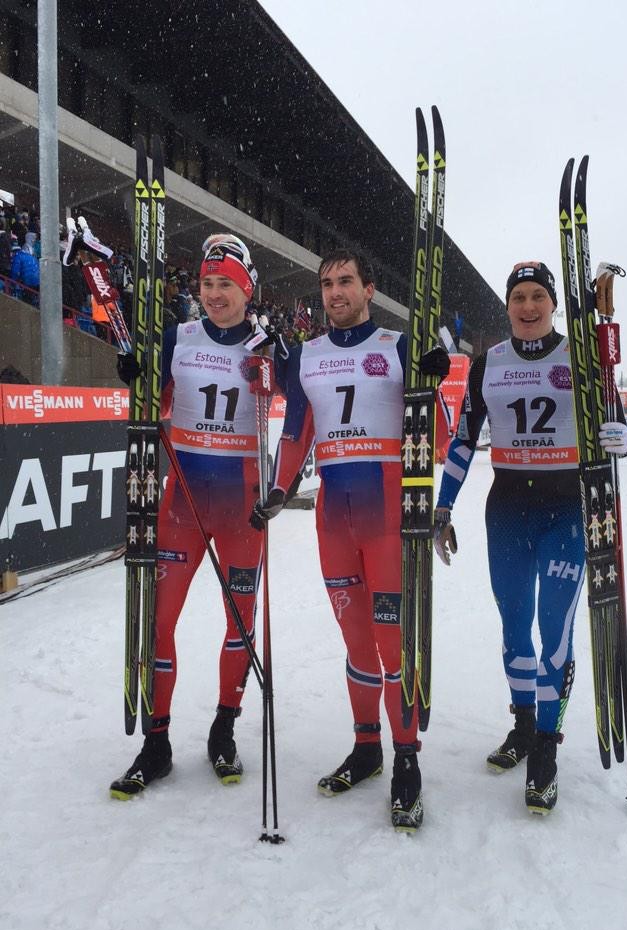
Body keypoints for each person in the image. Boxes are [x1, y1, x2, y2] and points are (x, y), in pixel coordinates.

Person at [250, 248, 451, 831]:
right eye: (326, 284)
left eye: (345, 282)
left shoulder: (395, 346)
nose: (334, 293)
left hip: (388, 519)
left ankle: (406, 760)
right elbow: (296, 433)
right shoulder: (307, 357)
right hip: (333, 521)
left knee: (393, 648)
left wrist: (431, 380)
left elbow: (436, 438)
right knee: (358, 645)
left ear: (368, 287)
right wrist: (280, 489)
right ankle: (367, 748)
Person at [433, 261, 627, 815]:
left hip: (566, 511)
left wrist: (623, 438)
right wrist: (443, 504)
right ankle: (523, 724)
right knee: (514, 626)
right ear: (508, 305)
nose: (527, 307)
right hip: (507, 510)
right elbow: (461, 441)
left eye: (537, 297)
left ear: (552, 304)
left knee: (555, 633)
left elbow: (617, 423)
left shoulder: (582, 357)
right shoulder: (487, 365)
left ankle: (547, 746)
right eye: (518, 297)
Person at [109, 233, 274, 799]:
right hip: (182, 502)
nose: (214, 294)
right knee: (159, 621)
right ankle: (156, 743)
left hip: (240, 510)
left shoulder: (268, 344)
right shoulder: (175, 338)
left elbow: (325, 391)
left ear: (246, 288)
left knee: (240, 624)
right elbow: (148, 395)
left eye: (226, 283)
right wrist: (135, 370)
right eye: (206, 283)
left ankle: (224, 728)